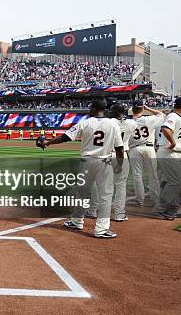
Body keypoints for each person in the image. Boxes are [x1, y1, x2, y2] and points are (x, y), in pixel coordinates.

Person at [40, 99, 124, 239]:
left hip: (86, 161)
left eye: (90, 107)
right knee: (105, 195)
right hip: (105, 161)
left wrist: (48, 142)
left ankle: (77, 220)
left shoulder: (85, 123)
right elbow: (119, 148)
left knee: (82, 193)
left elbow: (65, 137)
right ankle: (101, 229)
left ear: (94, 108)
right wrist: (119, 165)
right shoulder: (112, 124)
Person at [154, 97, 181, 220]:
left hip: (173, 153)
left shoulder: (177, 117)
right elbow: (165, 129)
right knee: (174, 182)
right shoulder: (173, 116)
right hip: (169, 152)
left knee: (175, 182)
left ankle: (175, 208)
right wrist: (173, 143)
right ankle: (159, 208)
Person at [128, 101, 164, 206]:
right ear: (142, 109)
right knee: (153, 175)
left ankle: (140, 200)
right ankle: (156, 199)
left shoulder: (128, 122)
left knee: (137, 175)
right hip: (149, 148)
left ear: (132, 109)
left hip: (134, 149)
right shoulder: (149, 119)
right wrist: (148, 108)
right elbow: (161, 114)